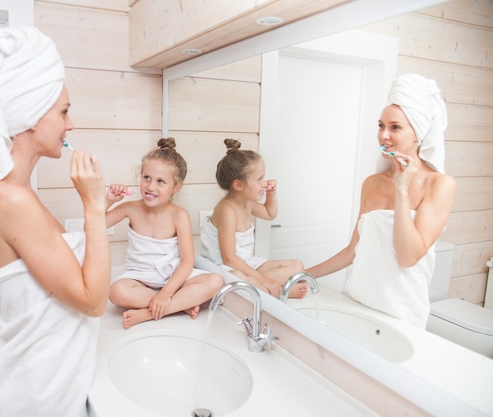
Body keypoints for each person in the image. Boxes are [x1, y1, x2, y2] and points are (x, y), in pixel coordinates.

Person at [0, 27, 110, 417]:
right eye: (64, 112)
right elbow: (92, 300)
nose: (70, 125)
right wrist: (94, 206)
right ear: (32, 114)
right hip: (42, 391)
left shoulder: (15, 191)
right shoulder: (8, 199)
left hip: (46, 377)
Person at [307, 73, 456, 329]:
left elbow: (407, 257)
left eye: (395, 127)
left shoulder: (440, 185)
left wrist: (401, 190)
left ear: (417, 133)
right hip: (355, 301)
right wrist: (305, 275)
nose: (383, 135)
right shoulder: (371, 183)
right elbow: (354, 250)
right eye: (380, 125)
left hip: (401, 314)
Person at [105, 138, 223, 329]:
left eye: (160, 181)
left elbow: (186, 262)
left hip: (173, 278)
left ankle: (148, 313)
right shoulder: (130, 208)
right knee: (116, 292)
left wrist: (166, 292)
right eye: (146, 178)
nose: (151, 187)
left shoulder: (179, 215)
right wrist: (108, 200)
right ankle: (178, 306)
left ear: (176, 187)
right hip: (140, 278)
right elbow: (92, 226)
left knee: (215, 281)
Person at [200, 138, 307, 298]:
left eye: (264, 178)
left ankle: (265, 286)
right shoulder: (227, 210)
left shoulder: (247, 202)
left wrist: (272, 194)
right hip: (226, 266)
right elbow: (229, 259)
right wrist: (264, 279)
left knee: (297, 266)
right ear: (238, 185)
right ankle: (278, 291)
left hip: (248, 263)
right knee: (240, 277)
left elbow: (270, 214)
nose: (264, 183)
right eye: (259, 179)